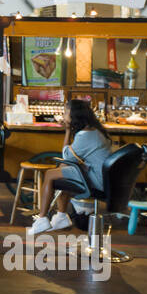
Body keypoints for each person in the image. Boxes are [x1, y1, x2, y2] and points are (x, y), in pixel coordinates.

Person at [30, 100, 113, 236]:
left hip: (97, 181)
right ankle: (61, 216)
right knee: (62, 172)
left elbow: (67, 157)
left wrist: (67, 131)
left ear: (74, 116)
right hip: (102, 177)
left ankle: (43, 218)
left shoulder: (86, 135)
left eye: (65, 112)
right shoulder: (94, 130)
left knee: (50, 174)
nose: (63, 115)